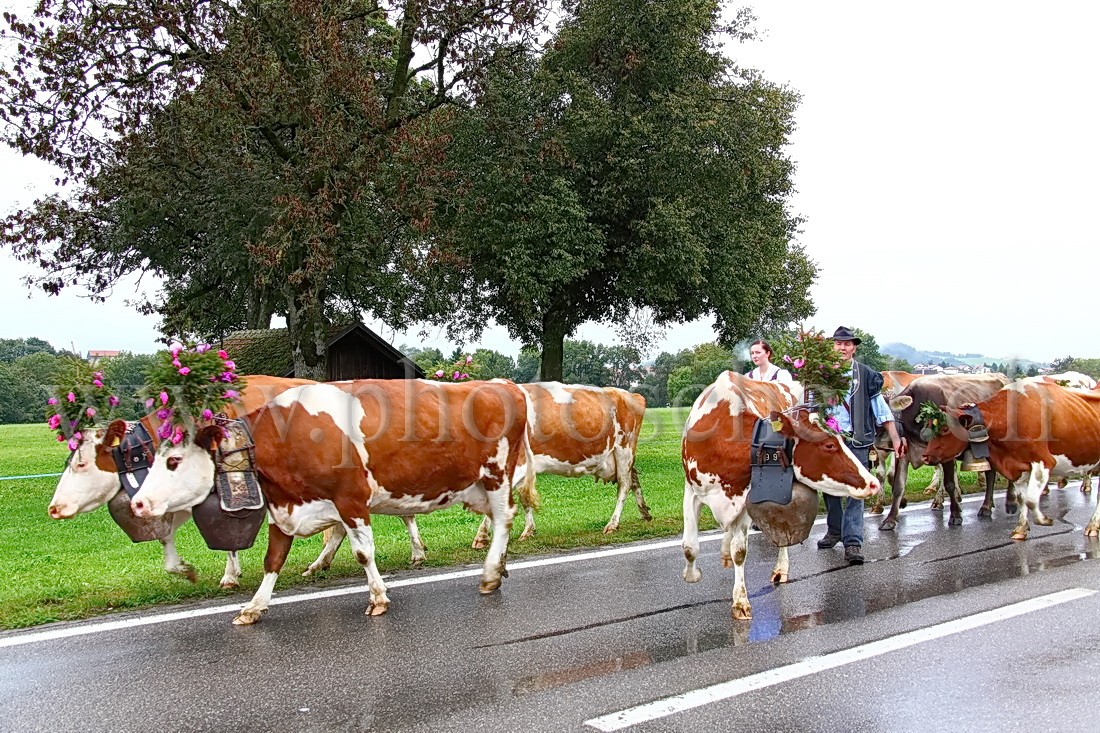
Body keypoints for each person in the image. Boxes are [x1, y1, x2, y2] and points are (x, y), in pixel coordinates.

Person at [816, 326, 903, 565]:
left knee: (857, 491)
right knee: (831, 488)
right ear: (832, 346)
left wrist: (895, 438)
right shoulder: (821, 375)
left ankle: (853, 542)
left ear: (854, 347)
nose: (842, 348)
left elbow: (881, 411)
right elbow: (811, 409)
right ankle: (835, 531)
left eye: (847, 344)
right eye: (838, 343)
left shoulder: (866, 375)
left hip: (858, 441)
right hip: (830, 444)